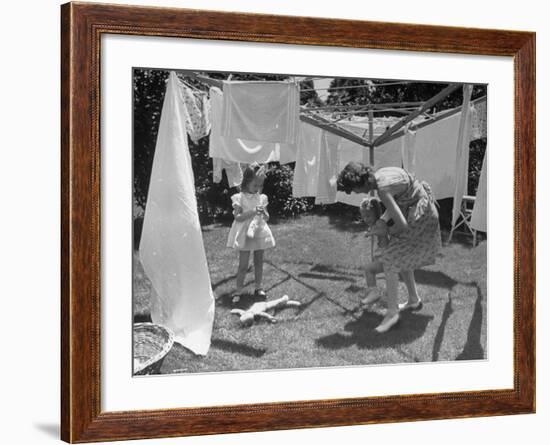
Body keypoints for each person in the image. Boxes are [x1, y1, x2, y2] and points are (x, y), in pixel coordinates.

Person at [338, 163, 442, 333]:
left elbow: (402, 225)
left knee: (391, 259)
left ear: (360, 183)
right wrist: (383, 221)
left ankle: (392, 312)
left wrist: (384, 230)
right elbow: (401, 203)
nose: (356, 193)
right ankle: (413, 300)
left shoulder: (382, 189)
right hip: (422, 212)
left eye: (355, 189)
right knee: (400, 257)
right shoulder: (381, 174)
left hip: (420, 217)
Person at [227, 163, 275, 304]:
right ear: (246, 182)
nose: (258, 189)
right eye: (255, 185)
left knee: (259, 261)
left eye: (260, 185)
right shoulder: (239, 198)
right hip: (245, 233)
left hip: (258, 230)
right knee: (243, 264)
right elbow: (238, 217)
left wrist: (263, 212)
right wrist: (253, 211)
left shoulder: (261, 198)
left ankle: (258, 287)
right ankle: (238, 290)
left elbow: (266, 217)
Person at [359, 197, 388, 305]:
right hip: (381, 257)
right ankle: (377, 293)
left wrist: (371, 233)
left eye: (368, 216)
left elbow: (383, 232)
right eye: (363, 217)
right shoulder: (373, 226)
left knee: (368, 269)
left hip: (386, 258)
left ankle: (374, 292)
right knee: (370, 270)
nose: (366, 219)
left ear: (376, 213)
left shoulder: (380, 223)